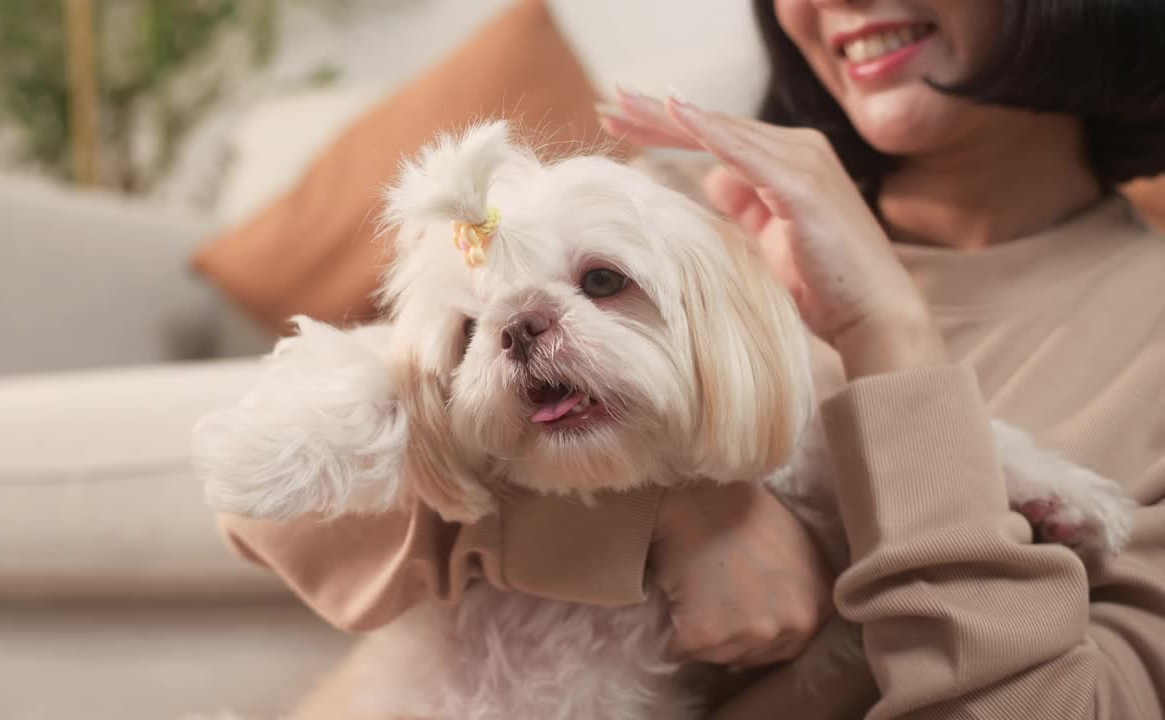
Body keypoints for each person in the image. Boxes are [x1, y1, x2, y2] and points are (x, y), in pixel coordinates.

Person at [221, 1, 1165, 717]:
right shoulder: (662, 204)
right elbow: (274, 507)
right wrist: (678, 511)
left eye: (600, 285)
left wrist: (891, 343)